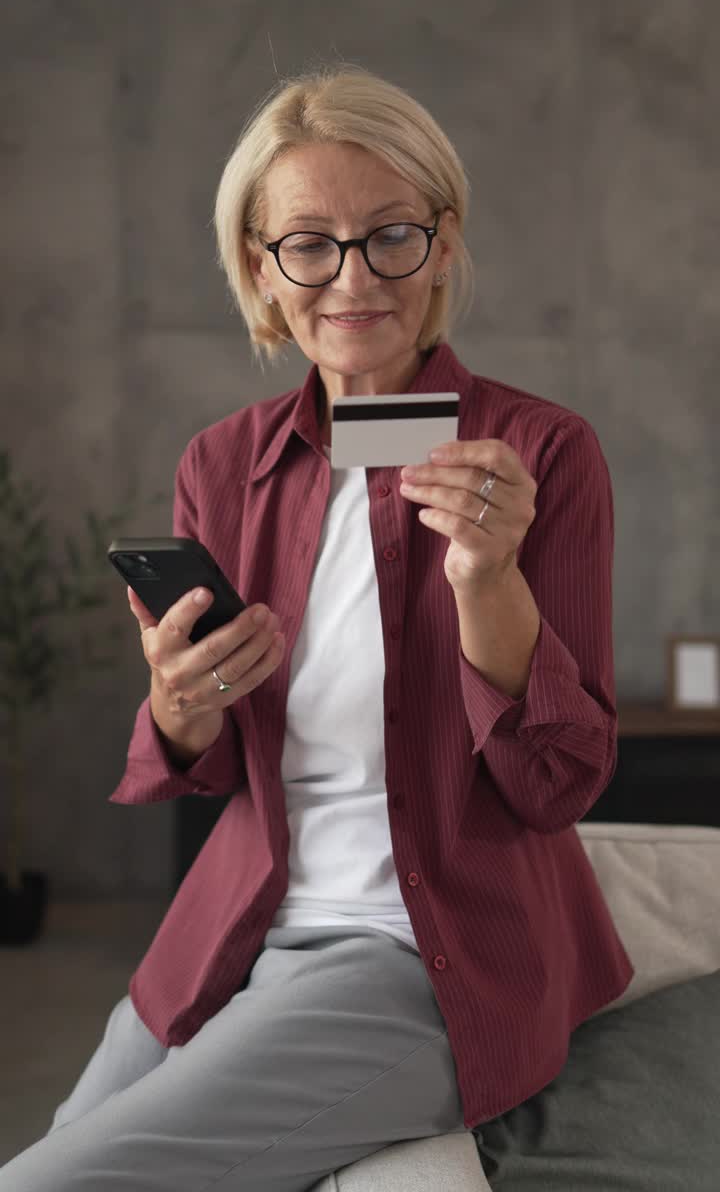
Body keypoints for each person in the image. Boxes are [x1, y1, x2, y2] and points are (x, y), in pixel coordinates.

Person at [1, 64, 634, 1191]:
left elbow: (561, 784)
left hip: (421, 954)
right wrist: (179, 705)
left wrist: (489, 577)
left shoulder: (542, 455)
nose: (352, 277)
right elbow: (199, 769)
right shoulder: (221, 462)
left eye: (390, 234)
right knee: (48, 1156)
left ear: (442, 243)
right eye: (309, 242)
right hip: (234, 930)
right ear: (260, 262)